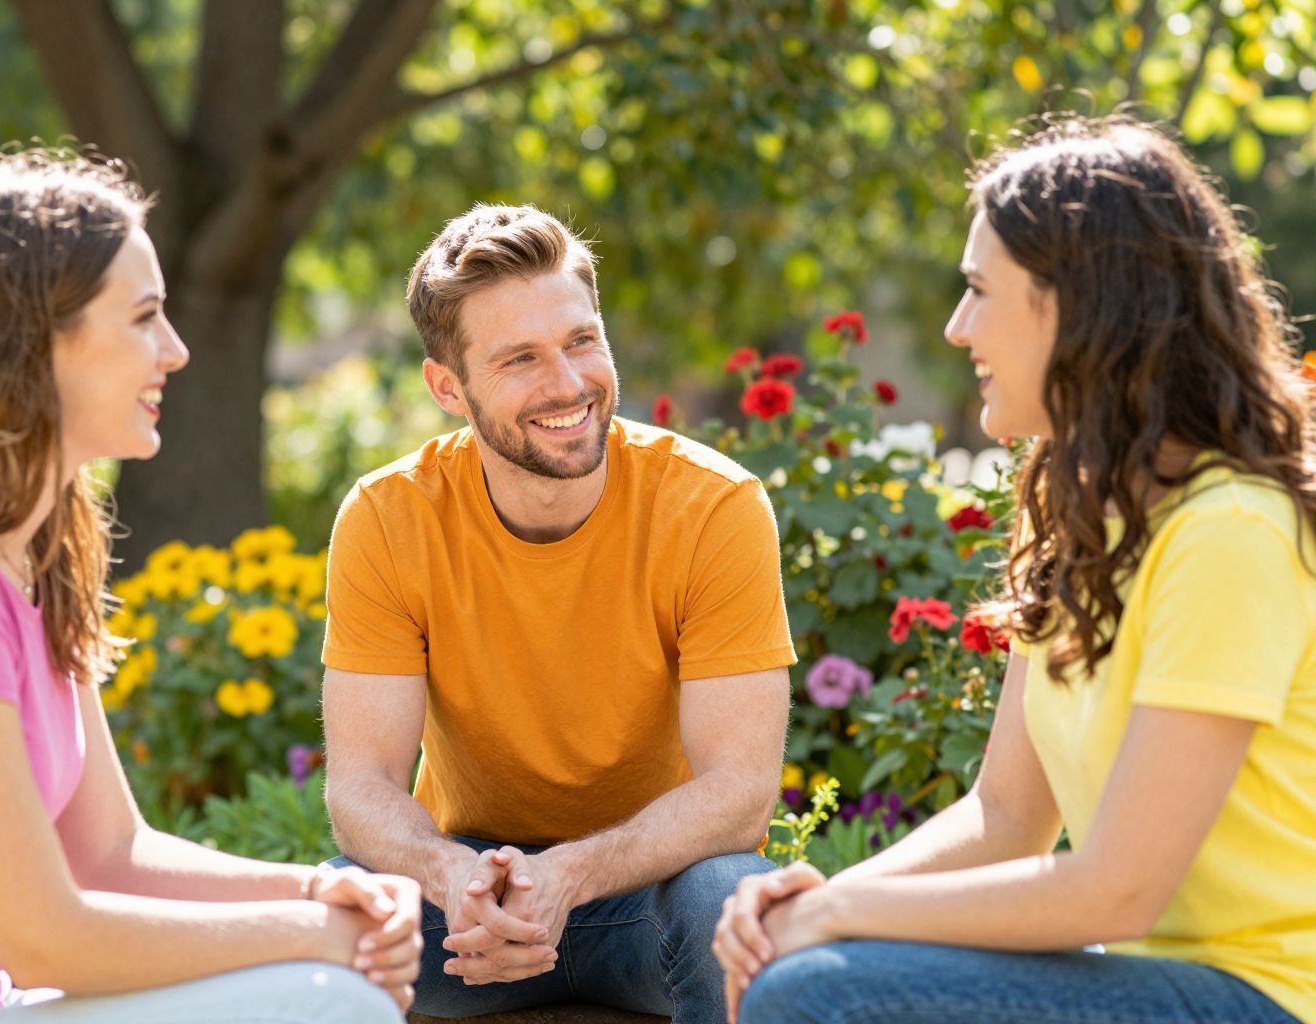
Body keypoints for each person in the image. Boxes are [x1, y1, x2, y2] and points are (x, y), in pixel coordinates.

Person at [0, 150, 421, 1024]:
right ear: (31, 341)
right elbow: (42, 937)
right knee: (327, 1001)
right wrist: (313, 937)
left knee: (333, 989)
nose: (176, 351)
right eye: (145, 318)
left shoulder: (34, 557)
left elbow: (111, 856)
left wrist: (323, 892)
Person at [713, 114, 1316, 1024]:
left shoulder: (1230, 531)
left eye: (977, 290)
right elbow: (1004, 816)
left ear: (1080, 306)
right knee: (795, 967)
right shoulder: (1076, 512)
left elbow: (1119, 890)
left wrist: (832, 917)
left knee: (815, 997)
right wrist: (813, 904)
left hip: (1265, 996)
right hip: (1144, 975)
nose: (957, 328)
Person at [318, 204, 795, 1022]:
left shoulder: (713, 506)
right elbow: (361, 786)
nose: (568, 383)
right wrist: (450, 875)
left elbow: (741, 791)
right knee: (336, 917)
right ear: (447, 387)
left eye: (581, 341)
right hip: (470, 902)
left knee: (736, 906)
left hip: (655, 891)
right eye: (520, 359)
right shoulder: (388, 516)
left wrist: (567, 876)